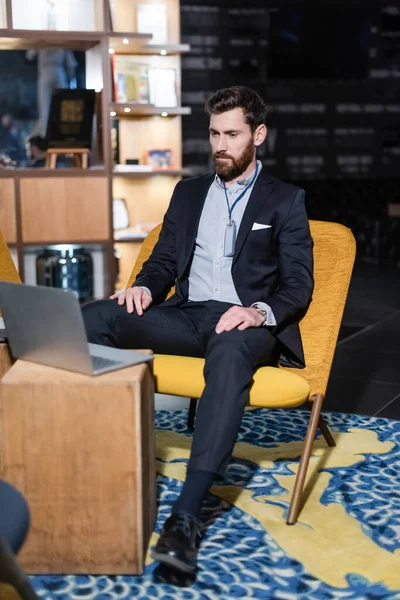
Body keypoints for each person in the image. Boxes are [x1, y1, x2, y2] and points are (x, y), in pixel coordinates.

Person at [83, 86, 314, 574]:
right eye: (214, 133)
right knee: (96, 316)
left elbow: (298, 286)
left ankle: (186, 516)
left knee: (229, 355)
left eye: (232, 134)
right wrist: (144, 287)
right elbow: (163, 261)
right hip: (189, 315)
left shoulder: (285, 200)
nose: (220, 145)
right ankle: (97, 447)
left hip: (243, 323)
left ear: (259, 135)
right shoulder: (188, 192)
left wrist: (257, 312)